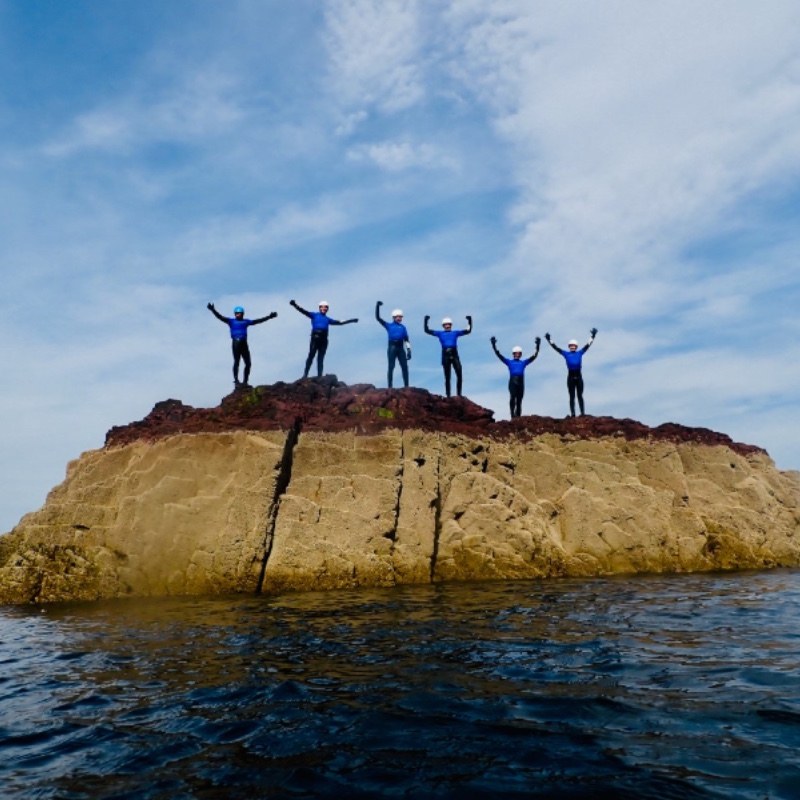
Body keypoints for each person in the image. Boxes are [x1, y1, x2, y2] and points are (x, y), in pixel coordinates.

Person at [207, 302, 278, 387]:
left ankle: (245, 382)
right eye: (236, 313)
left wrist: (269, 317)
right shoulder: (231, 321)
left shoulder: (246, 321)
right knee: (237, 361)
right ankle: (236, 381)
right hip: (236, 343)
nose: (237, 314)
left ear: (242, 314)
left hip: (244, 343)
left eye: (239, 313)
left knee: (248, 363)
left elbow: (257, 321)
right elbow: (220, 317)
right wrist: (213, 310)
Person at [290, 299, 358, 378]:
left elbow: (340, 322)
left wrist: (351, 320)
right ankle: (305, 374)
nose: (324, 308)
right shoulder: (314, 315)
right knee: (311, 355)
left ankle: (319, 376)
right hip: (315, 338)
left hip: (324, 339)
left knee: (320, 358)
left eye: (326, 307)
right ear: (319, 308)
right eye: (323, 307)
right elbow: (303, 311)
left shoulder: (327, 319)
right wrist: (295, 305)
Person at [545, 327, 598, 416]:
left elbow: (588, 345)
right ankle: (573, 414)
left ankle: (582, 413)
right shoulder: (566, 354)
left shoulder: (580, 353)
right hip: (570, 377)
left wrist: (593, 336)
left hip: (579, 376)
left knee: (580, 396)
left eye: (574, 346)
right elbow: (556, 348)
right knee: (572, 396)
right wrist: (549, 339)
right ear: (569, 347)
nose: (572, 347)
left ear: (576, 347)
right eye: (570, 346)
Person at [491, 336, 540, 418]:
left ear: (520, 354)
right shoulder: (509, 362)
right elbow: (499, 355)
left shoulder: (523, 362)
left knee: (519, 400)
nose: (517, 355)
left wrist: (537, 346)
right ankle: (512, 416)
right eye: (515, 353)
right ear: (513, 354)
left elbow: (534, 357)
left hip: (521, 382)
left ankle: (518, 417)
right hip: (513, 382)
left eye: (519, 353)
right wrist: (494, 345)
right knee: (513, 398)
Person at [424, 314, 472, 397]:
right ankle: (448, 396)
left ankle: (459, 395)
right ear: (443, 326)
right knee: (447, 377)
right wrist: (426, 320)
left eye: (449, 324)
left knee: (459, 374)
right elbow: (427, 330)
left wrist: (470, 321)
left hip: (454, 353)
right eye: (446, 325)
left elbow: (468, 331)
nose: (447, 326)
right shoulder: (440, 333)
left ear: (451, 325)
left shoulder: (455, 333)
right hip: (445, 354)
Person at [375, 301, 411, 388]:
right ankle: (390, 387)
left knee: (405, 367)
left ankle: (406, 386)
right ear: (394, 317)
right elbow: (378, 318)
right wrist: (378, 306)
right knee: (391, 366)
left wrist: (409, 350)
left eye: (400, 317)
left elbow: (406, 339)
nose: (399, 318)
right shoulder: (389, 325)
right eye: (398, 317)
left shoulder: (403, 327)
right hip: (392, 347)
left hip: (400, 347)